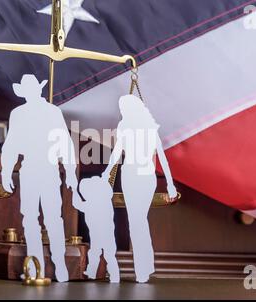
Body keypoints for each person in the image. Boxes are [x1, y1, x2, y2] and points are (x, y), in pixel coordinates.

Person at [1, 74, 78, 282]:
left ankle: (60, 266)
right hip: (28, 170)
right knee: (30, 220)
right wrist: (6, 170)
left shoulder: (53, 112)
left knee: (53, 218)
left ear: (38, 90)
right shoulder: (18, 113)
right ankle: (35, 267)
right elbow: (11, 144)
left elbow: (65, 142)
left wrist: (70, 171)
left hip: (49, 168)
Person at [103, 94, 178, 283]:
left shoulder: (149, 129)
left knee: (137, 222)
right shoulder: (125, 127)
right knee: (138, 222)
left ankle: (144, 268)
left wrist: (170, 184)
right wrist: (106, 174)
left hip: (143, 177)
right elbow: (116, 154)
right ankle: (145, 267)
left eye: (124, 108)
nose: (122, 112)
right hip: (130, 176)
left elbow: (162, 157)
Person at [73, 176, 120, 283]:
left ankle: (94, 273)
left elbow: (77, 204)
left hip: (98, 234)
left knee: (96, 253)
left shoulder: (92, 204)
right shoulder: (106, 203)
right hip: (107, 234)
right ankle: (113, 276)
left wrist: (74, 191)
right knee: (107, 254)